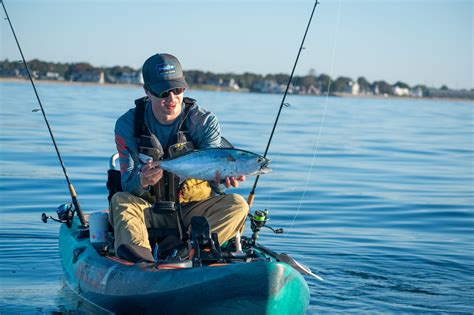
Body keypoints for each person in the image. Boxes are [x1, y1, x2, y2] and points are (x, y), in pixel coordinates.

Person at [109, 53, 249, 262]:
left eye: (178, 89)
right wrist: (142, 181)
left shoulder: (204, 122)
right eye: (164, 92)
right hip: (149, 210)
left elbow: (215, 181)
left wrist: (223, 182)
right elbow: (127, 185)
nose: (172, 98)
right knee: (120, 201)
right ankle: (143, 263)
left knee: (238, 205)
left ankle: (187, 252)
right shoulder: (128, 123)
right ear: (148, 91)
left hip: (194, 210)